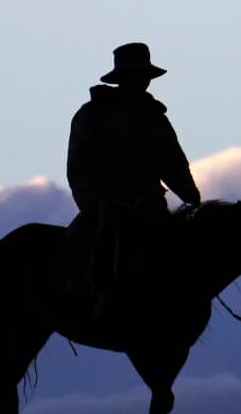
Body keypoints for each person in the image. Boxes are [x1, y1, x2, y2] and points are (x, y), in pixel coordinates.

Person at [62, 43, 202, 309]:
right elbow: (79, 167)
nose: (142, 81)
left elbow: (173, 162)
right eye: (136, 75)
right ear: (123, 78)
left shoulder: (155, 119)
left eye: (144, 75)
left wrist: (191, 195)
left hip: (151, 203)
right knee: (105, 253)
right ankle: (97, 299)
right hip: (110, 207)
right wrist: (93, 205)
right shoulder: (92, 115)